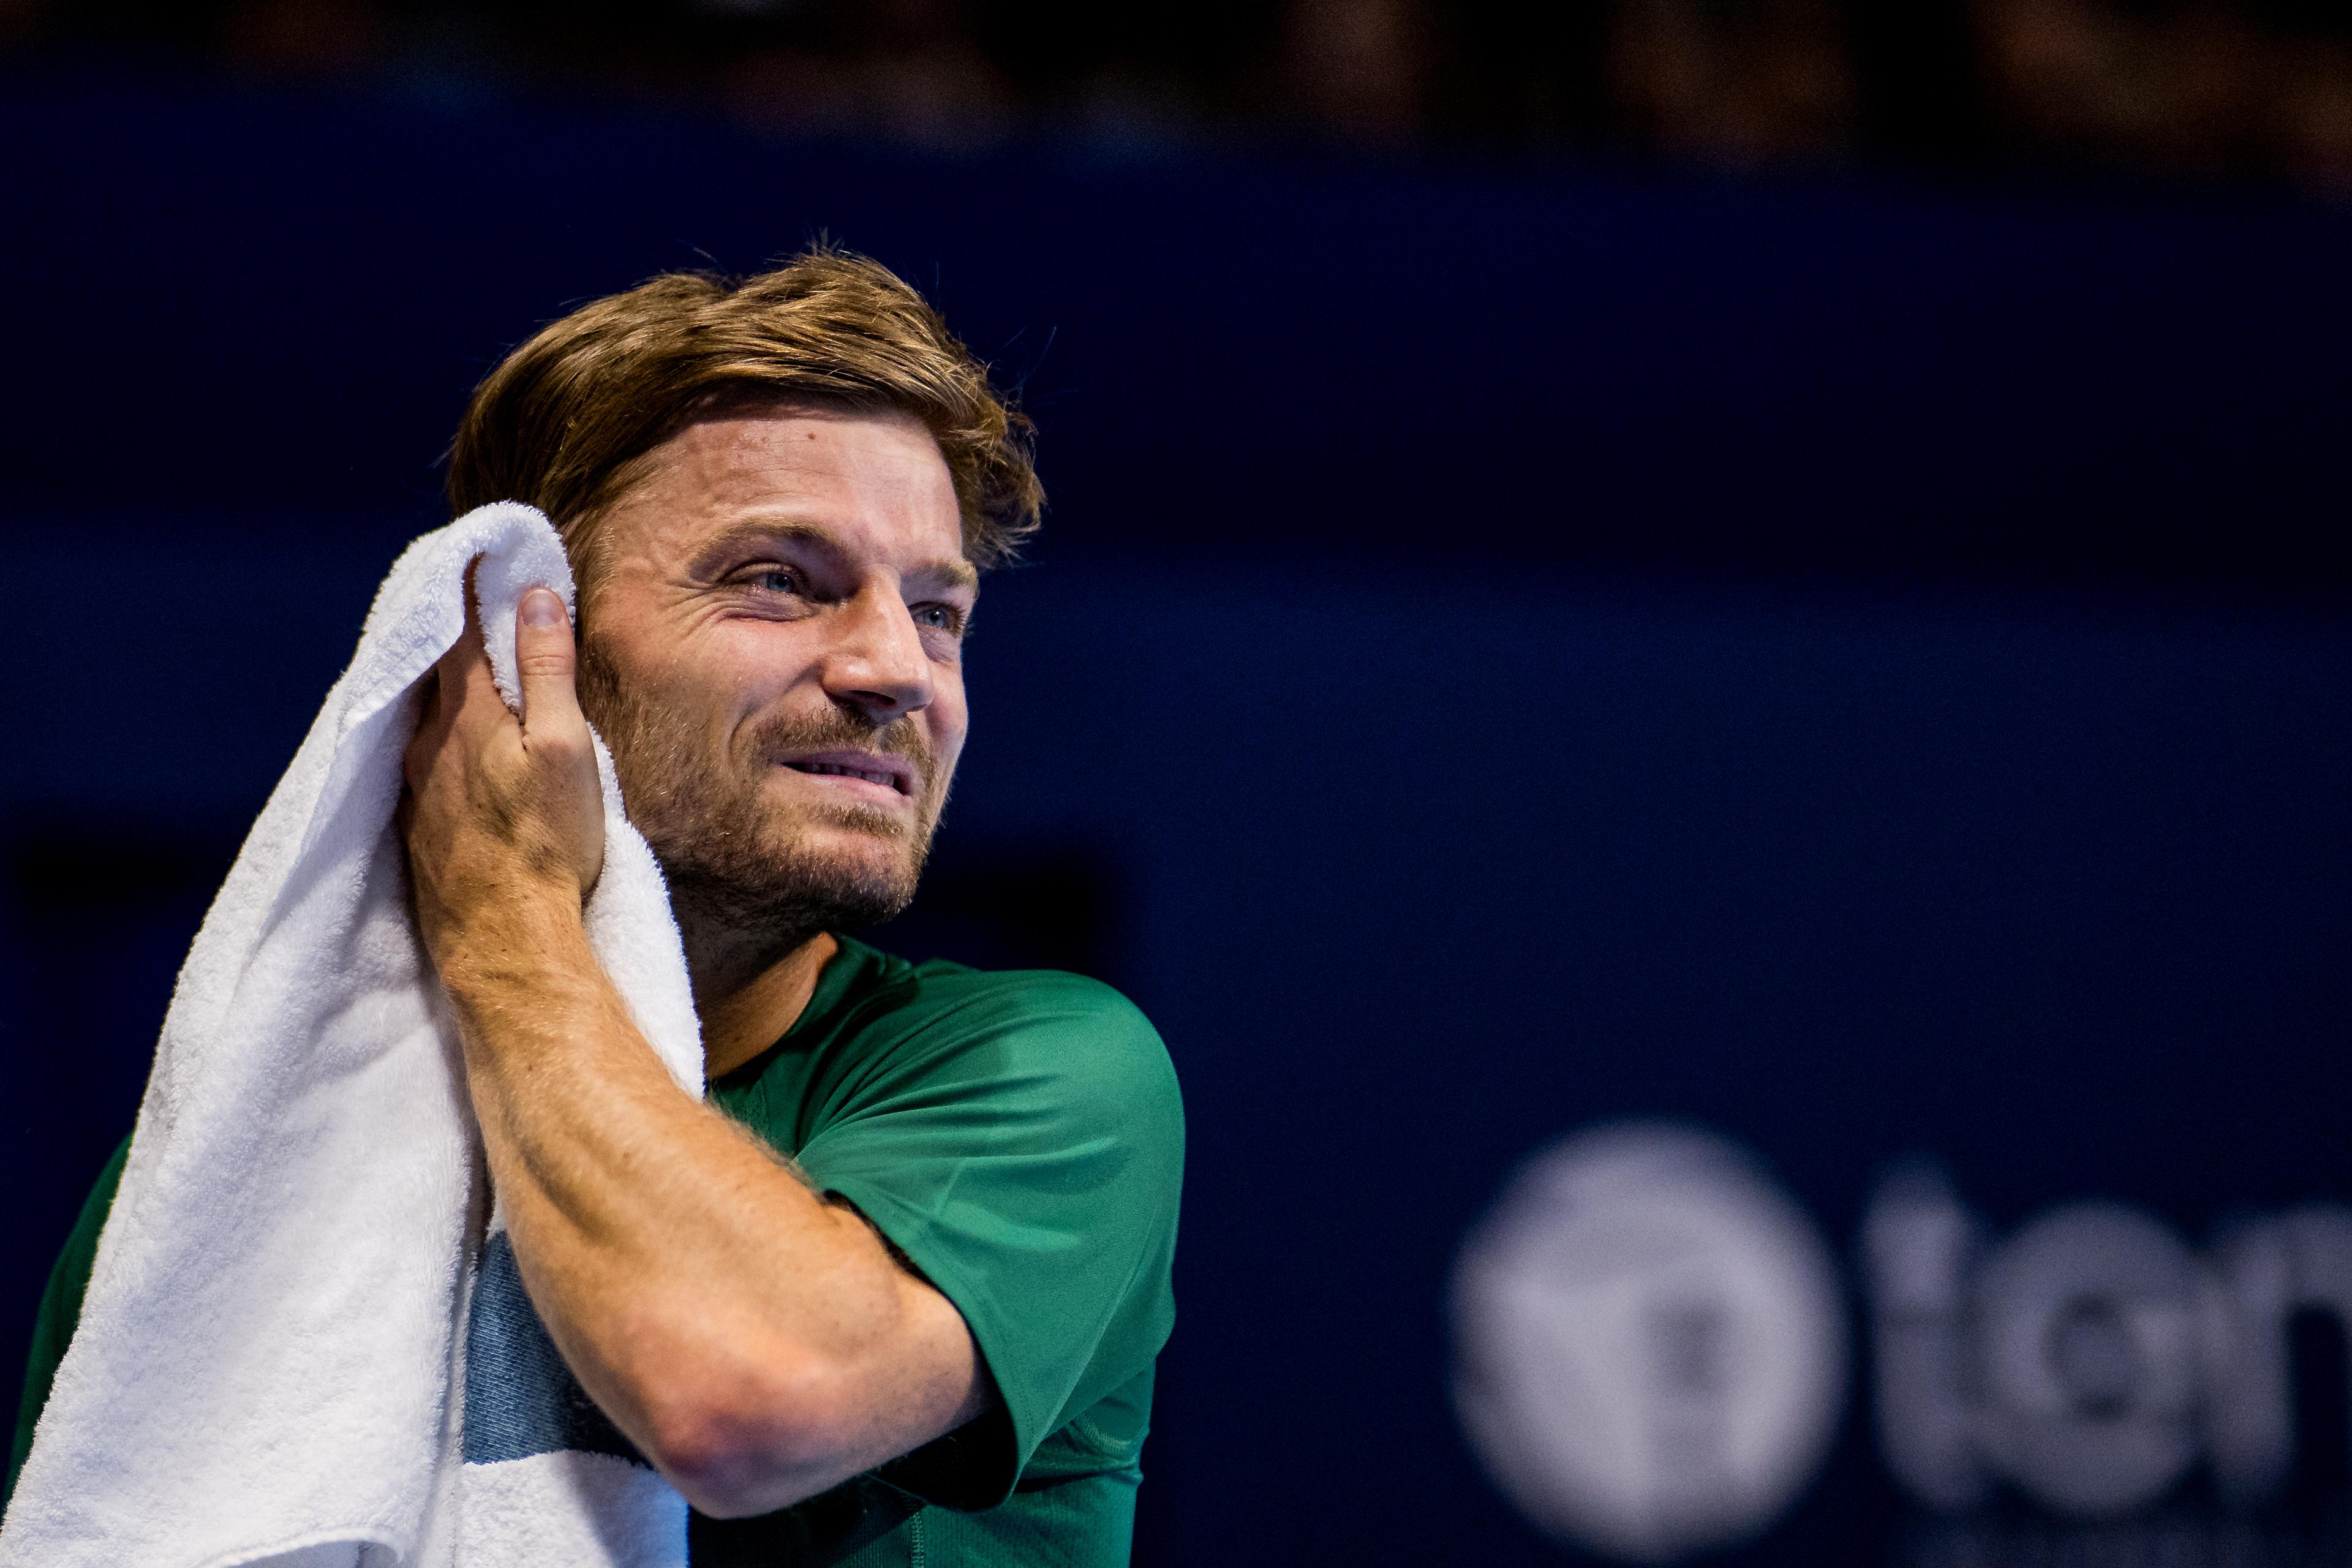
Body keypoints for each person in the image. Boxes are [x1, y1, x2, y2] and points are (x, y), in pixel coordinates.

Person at [4, 246, 1185, 1565]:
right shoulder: (233, 1154)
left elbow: (747, 1397)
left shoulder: (1049, 1072)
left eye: (937, 608)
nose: (894, 669)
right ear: (523, 645)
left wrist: (509, 908)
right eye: (781, 578)